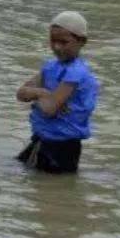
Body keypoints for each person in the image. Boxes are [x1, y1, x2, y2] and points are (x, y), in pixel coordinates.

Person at [15, 11, 99, 174]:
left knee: (51, 189)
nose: (57, 47)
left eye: (64, 42)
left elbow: (49, 109)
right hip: (41, 139)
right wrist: (43, 92)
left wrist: (38, 95)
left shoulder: (76, 73)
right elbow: (21, 94)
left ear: (81, 42)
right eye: (53, 41)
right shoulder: (50, 66)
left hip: (62, 147)